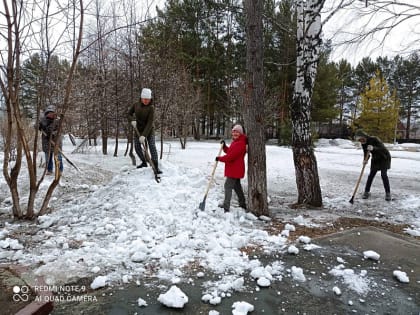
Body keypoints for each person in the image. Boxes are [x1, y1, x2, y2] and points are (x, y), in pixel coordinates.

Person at [128, 88, 162, 174]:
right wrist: (132, 120)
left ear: (150, 99)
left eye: (148, 99)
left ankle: (155, 166)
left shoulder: (151, 108)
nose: (146, 101)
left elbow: (150, 123)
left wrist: (144, 135)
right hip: (137, 129)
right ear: (141, 98)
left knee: (152, 146)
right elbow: (128, 114)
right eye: (145, 99)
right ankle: (144, 162)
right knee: (137, 147)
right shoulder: (136, 105)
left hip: (149, 130)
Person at [216, 124, 247, 212]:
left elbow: (230, 157)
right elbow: (230, 152)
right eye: (233, 131)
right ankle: (242, 204)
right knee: (237, 187)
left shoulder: (240, 143)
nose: (234, 133)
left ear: (240, 133)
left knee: (228, 186)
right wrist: (225, 147)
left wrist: (219, 159)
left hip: (235, 169)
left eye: (237, 132)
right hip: (235, 169)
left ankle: (226, 206)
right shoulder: (236, 142)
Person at [354, 129, 391, 201]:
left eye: (360, 139)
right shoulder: (363, 143)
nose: (360, 141)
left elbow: (382, 149)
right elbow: (366, 153)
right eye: (359, 140)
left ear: (364, 136)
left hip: (384, 157)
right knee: (371, 175)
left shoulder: (374, 139)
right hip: (375, 159)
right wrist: (365, 160)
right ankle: (366, 192)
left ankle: (388, 193)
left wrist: (373, 148)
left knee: (383, 175)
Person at [39, 105, 63, 175]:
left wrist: (52, 134)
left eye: (52, 113)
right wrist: (39, 126)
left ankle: (59, 170)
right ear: (46, 113)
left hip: (55, 142)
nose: (50, 114)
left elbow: (59, 130)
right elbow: (36, 126)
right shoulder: (43, 121)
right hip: (46, 142)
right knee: (48, 158)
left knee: (58, 158)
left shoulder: (57, 121)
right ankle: (49, 170)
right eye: (49, 113)